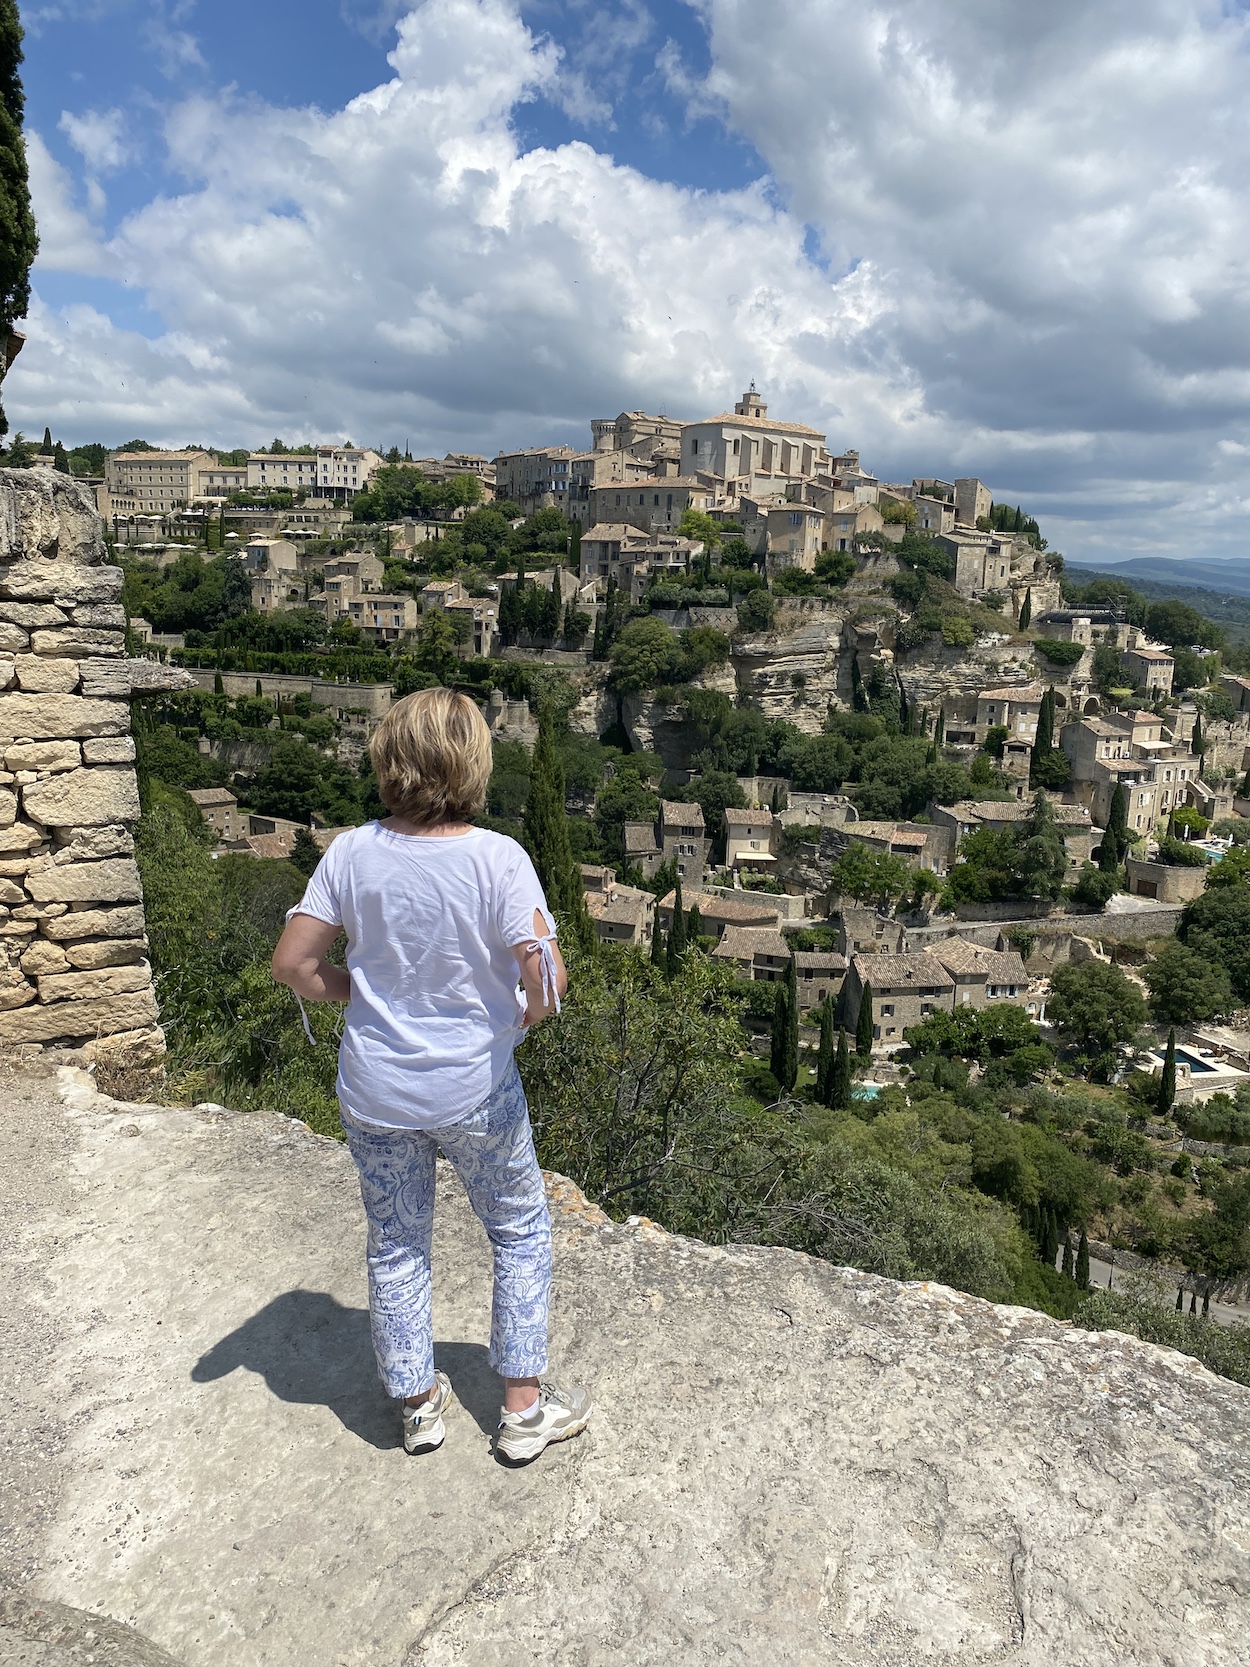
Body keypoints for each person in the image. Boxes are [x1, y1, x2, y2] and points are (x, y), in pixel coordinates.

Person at [272, 686, 591, 1463]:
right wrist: (521, 1015)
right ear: (473, 761)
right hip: (474, 1088)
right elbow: (546, 979)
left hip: (375, 1089)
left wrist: (360, 991)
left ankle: (418, 1404)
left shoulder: (350, 851)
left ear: (391, 757)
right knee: (517, 1228)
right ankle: (521, 1409)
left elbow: (293, 964)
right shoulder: (498, 859)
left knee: (396, 1240)